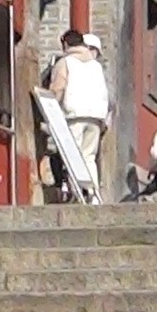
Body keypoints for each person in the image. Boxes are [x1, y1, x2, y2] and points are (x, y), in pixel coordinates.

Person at [49, 31, 111, 197]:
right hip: (96, 116)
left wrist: (51, 108)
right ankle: (94, 194)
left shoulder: (65, 62)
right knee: (89, 157)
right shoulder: (96, 66)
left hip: (74, 114)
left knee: (72, 155)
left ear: (65, 44)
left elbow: (57, 89)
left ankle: (78, 193)